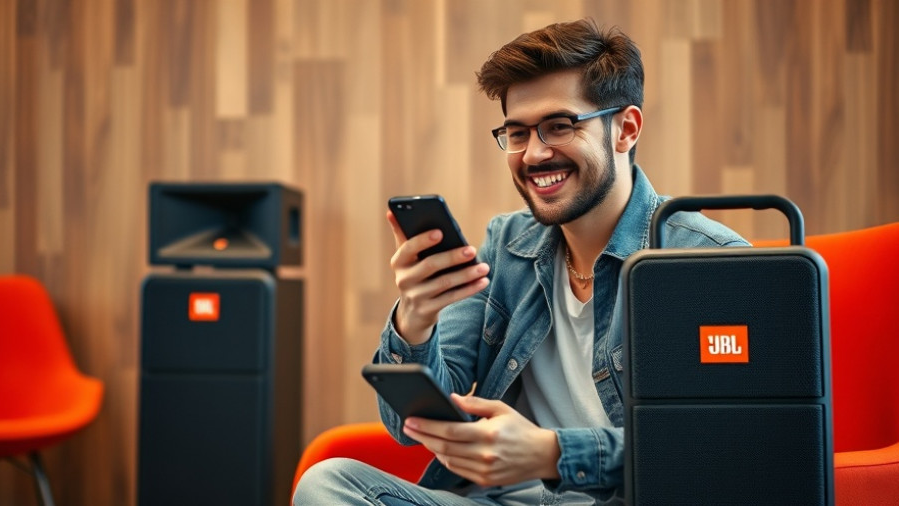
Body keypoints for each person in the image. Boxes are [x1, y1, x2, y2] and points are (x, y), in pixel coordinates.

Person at [293, 18, 748, 505]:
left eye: (559, 126)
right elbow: (409, 430)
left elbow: (721, 449)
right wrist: (415, 322)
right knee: (328, 482)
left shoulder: (707, 264)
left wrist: (552, 454)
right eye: (517, 133)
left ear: (626, 129)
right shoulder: (507, 245)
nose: (534, 154)